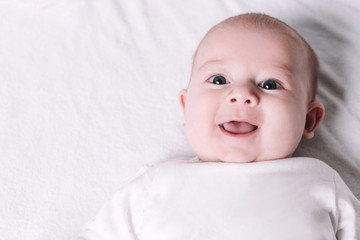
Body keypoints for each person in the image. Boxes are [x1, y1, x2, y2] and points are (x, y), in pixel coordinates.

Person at [79, 13, 359, 239]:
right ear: (186, 107)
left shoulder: (320, 182)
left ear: (309, 119)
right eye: (219, 80)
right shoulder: (158, 183)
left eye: (270, 84)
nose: (241, 93)